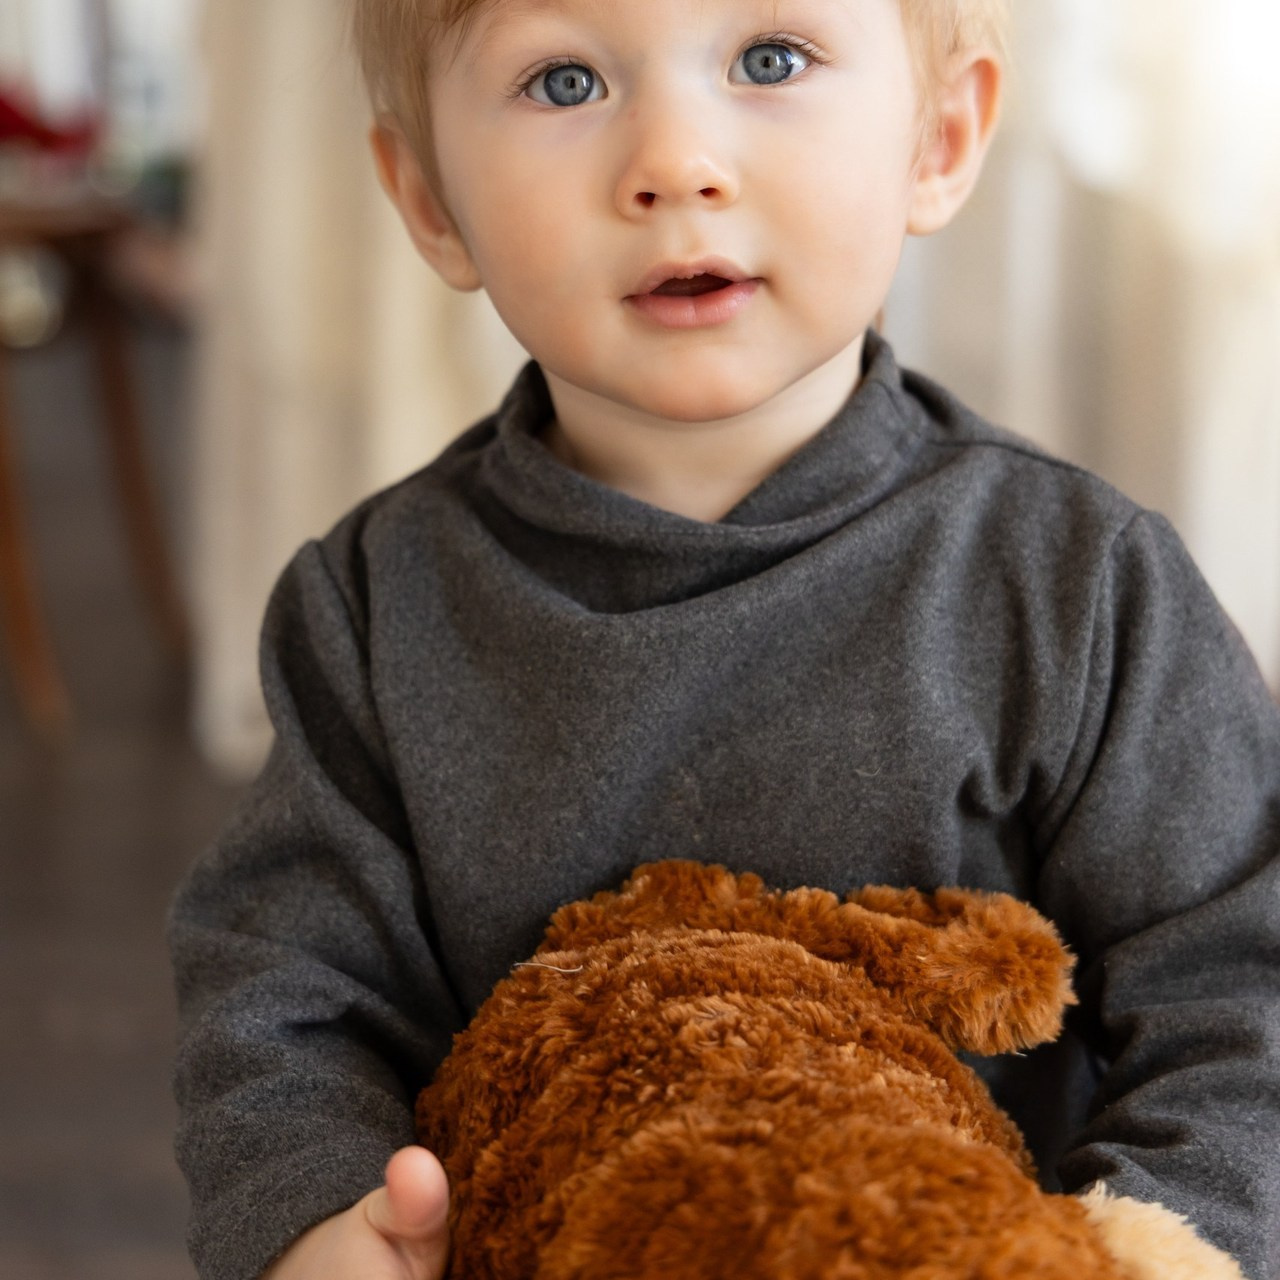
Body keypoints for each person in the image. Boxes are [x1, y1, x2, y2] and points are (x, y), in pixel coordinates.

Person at [168, 0, 1280, 1277]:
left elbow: (1235, 986)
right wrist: (316, 1215)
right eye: (564, 79)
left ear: (938, 136)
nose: (672, 162)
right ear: (427, 199)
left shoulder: (1077, 583)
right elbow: (283, 996)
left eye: (769, 60)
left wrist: (1159, 1239)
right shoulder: (366, 606)